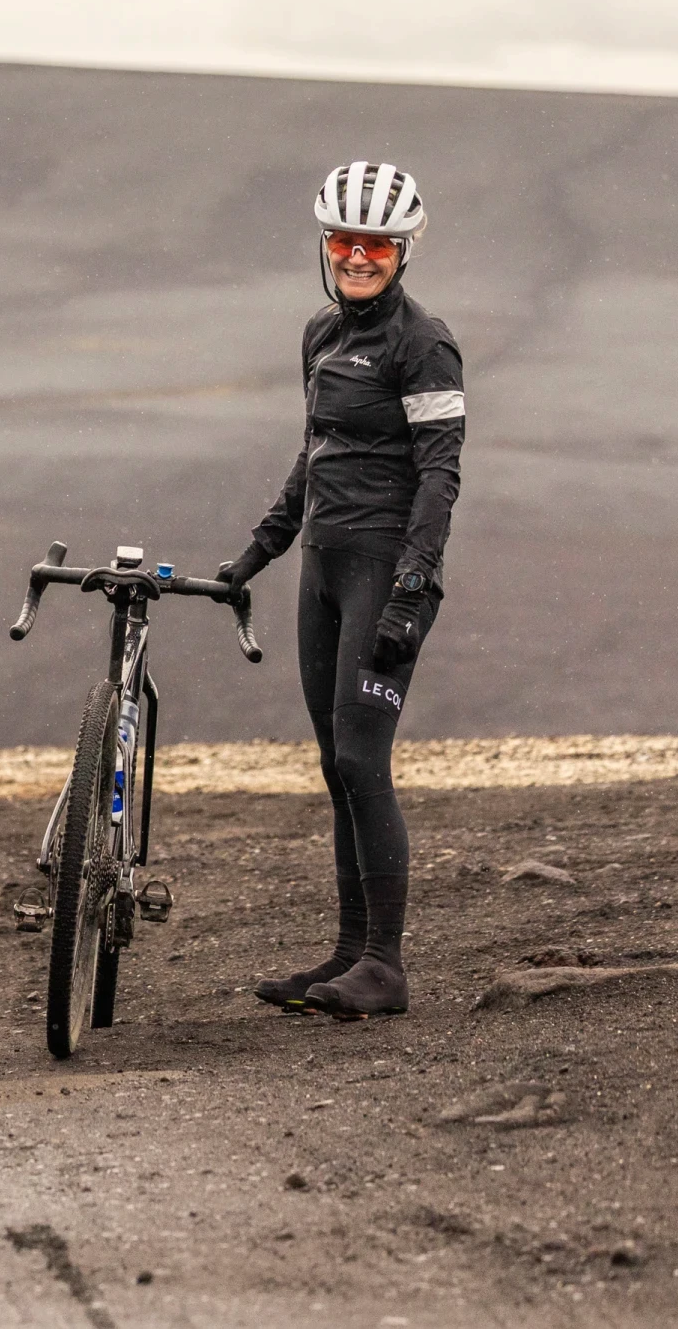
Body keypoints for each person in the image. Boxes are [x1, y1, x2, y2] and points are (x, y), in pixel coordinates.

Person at [218, 161, 464, 1021]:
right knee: (335, 767)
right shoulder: (321, 333)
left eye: (377, 245)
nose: (359, 257)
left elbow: (440, 474)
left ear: (402, 253)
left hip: (384, 573)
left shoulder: (422, 344)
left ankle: (386, 968)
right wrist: (259, 551)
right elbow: (314, 451)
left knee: (364, 760)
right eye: (345, 242)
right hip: (323, 568)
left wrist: (413, 583)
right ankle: (350, 953)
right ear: (327, 246)